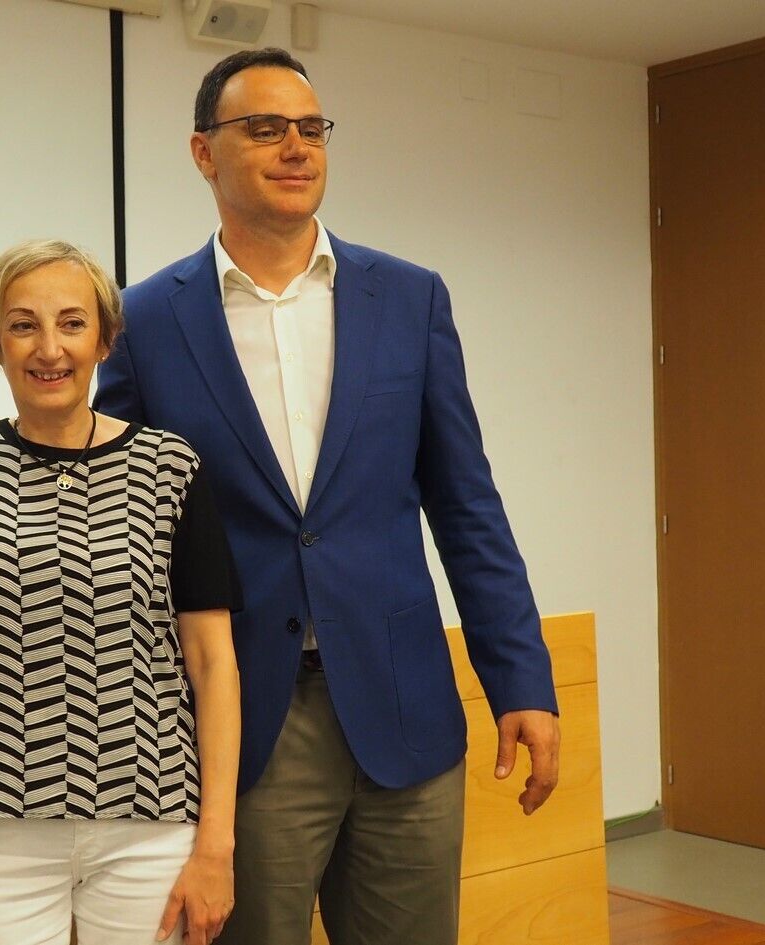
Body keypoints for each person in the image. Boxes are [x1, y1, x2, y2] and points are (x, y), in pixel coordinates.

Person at [94, 49, 562, 945]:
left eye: (311, 128)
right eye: (265, 128)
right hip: (246, 726)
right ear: (203, 152)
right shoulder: (145, 320)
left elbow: (467, 506)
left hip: (405, 712)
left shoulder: (409, 298)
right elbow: (112, 504)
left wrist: (520, 680)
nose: (296, 147)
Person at [0, 240, 241, 945]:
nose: (49, 348)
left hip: (149, 822)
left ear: (104, 340)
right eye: (22, 325)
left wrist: (216, 844)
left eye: (72, 323)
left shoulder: (169, 466)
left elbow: (213, 662)